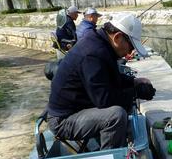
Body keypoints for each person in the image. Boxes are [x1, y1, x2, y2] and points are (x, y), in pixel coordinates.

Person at [46, 13, 156, 149]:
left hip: (75, 110)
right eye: (131, 47)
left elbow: (109, 79)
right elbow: (105, 100)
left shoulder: (99, 43)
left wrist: (134, 82)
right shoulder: (93, 54)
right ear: (118, 37)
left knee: (121, 107)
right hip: (64, 120)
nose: (130, 52)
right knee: (115, 116)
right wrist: (136, 92)